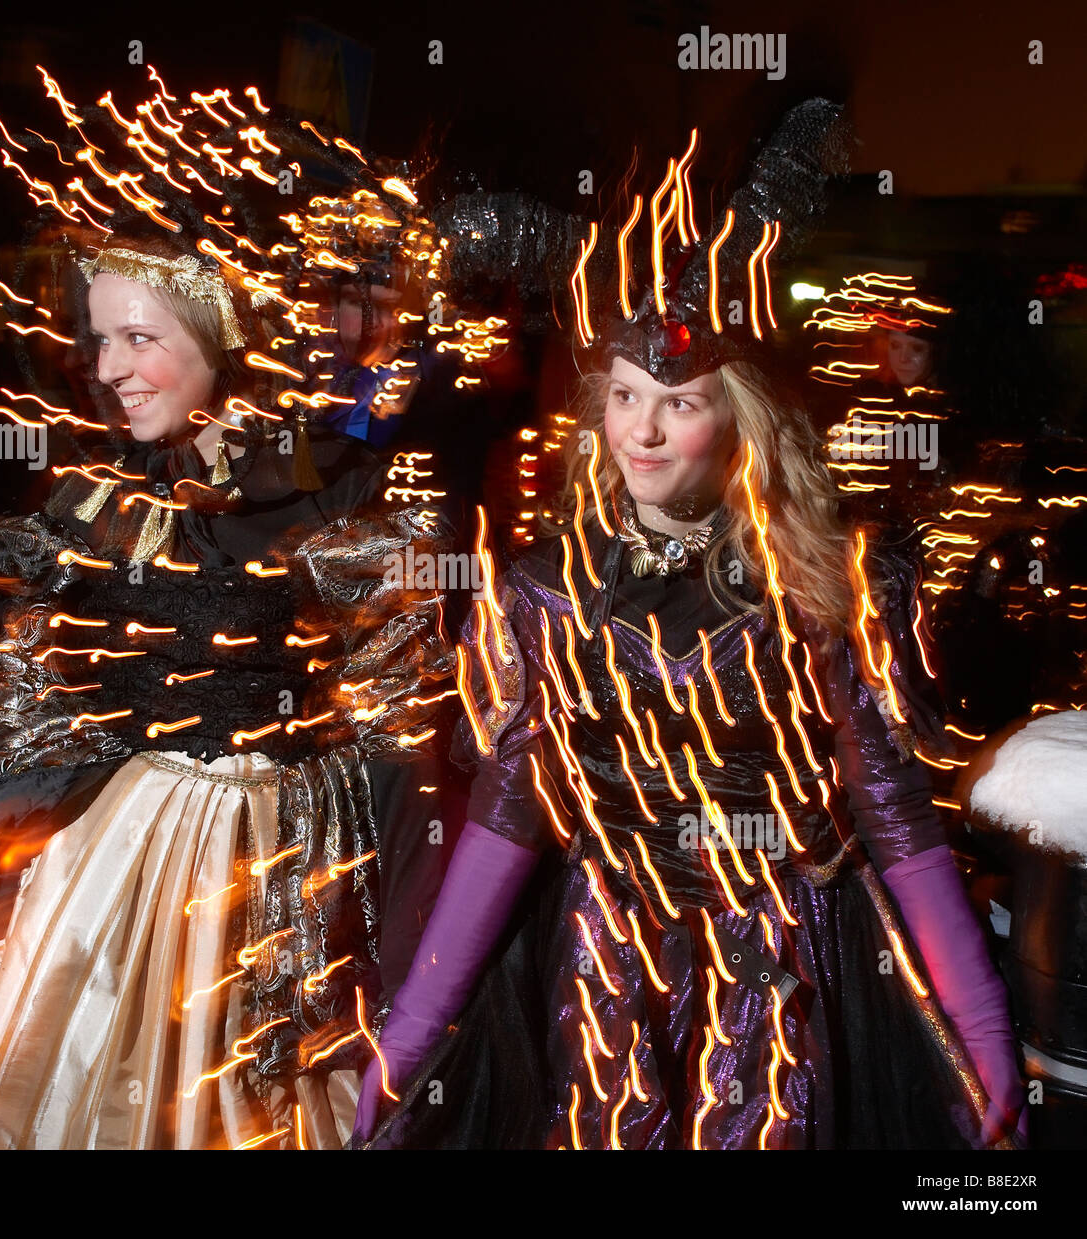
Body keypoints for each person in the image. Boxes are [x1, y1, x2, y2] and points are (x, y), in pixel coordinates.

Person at [0, 74, 464, 1150]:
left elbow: (398, 722)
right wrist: (16, 792)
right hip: (100, 850)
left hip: (259, 868)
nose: (106, 373)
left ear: (224, 334)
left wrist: (370, 917)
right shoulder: (99, 495)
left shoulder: (331, 494)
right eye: (98, 342)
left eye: (137, 340)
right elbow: (26, 680)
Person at [353, 100, 1027, 1150]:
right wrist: (414, 1028)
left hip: (774, 956)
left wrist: (978, 1022)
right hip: (608, 962)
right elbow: (508, 810)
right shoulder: (544, 588)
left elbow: (890, 803)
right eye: (623, 397)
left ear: (742, 419)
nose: (644, 429)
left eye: (679, 401)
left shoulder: (829, 584)